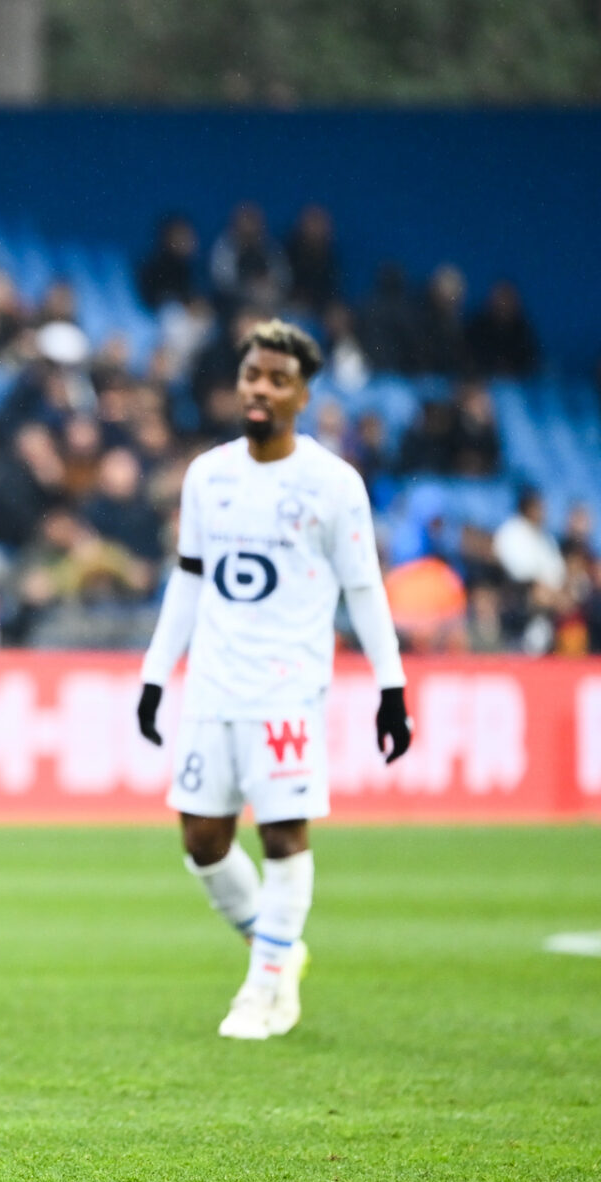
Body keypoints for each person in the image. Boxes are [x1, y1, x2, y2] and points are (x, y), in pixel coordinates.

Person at [135, 320, 412, 1040]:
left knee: (285, 837)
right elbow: (189, 578)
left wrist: (392, 687)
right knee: (201, 840)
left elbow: (366, 589)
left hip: (288, 690)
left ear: (303, 394)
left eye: (277, 379)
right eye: (252, 374)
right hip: (213, 687)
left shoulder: (332, 485)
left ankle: (265, 991)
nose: (260, 388)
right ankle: (279, 948)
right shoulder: (209, 475)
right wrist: (155, 674)